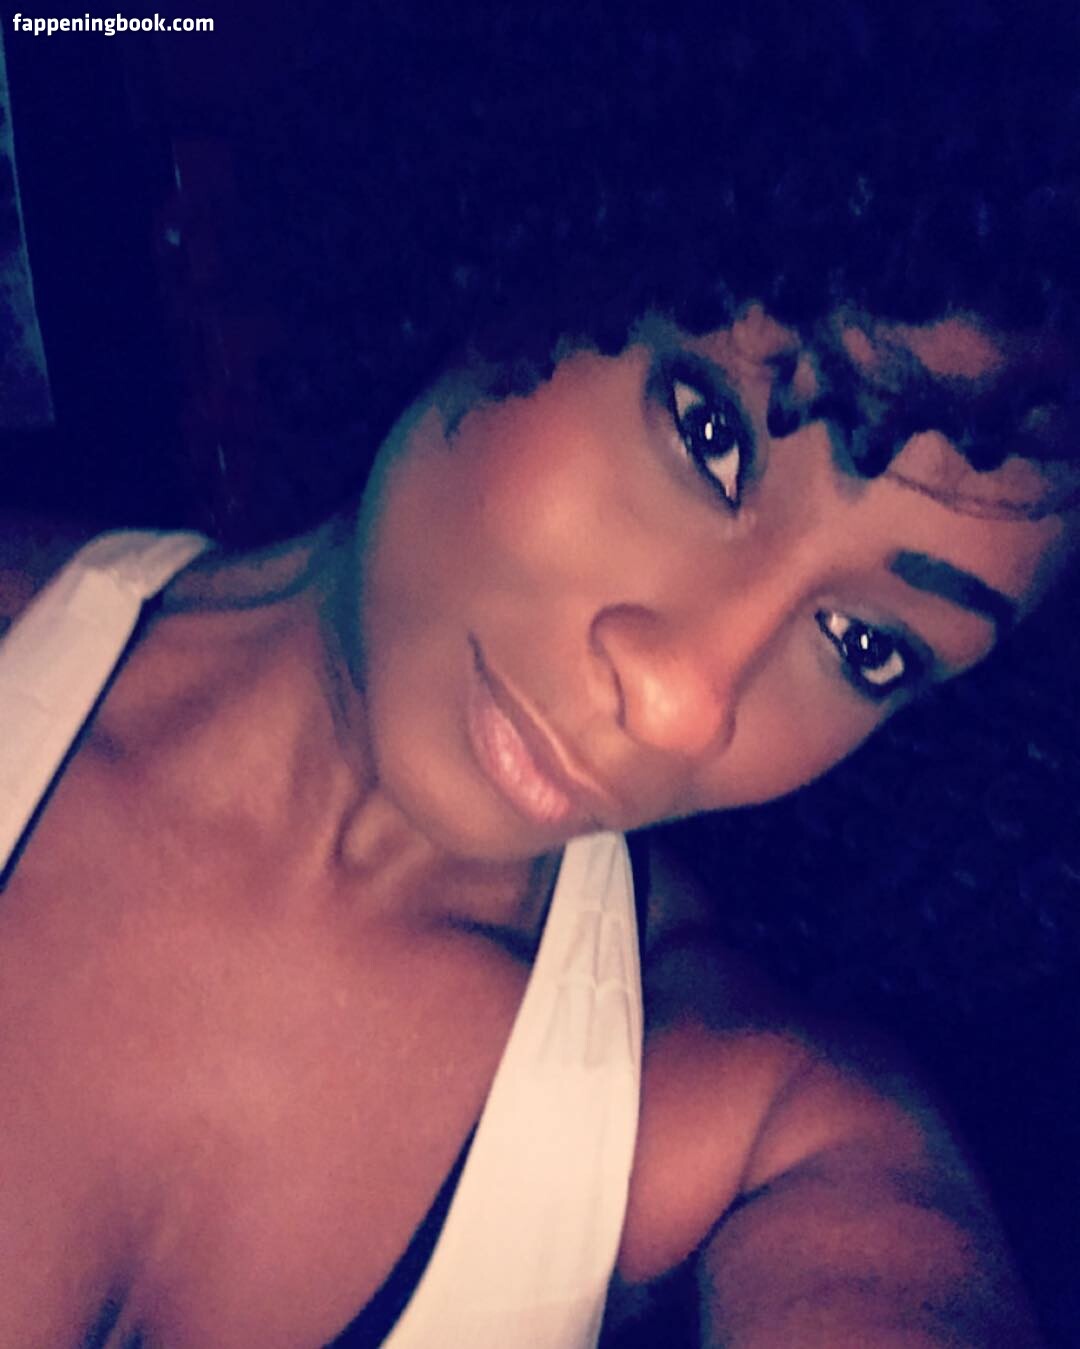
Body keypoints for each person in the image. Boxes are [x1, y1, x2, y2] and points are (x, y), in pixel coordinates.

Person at [1, 3, 1078, 1346]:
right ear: (538, 243)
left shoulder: (748, 1119)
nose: (683, 702)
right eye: (712, 434)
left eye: (868, 646)